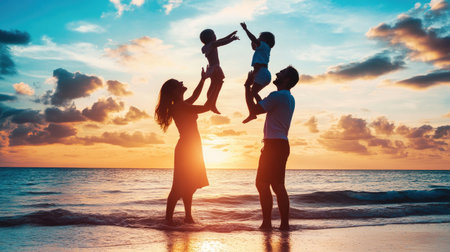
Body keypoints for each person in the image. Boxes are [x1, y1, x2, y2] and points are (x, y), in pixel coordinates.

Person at [243, 66, 299, 231]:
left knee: (263, 184)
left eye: (281, 73)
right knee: (276, 185)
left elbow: (254, 109)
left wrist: (247, 87)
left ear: (287, 79)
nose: (277, 73)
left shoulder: (277, 96)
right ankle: (282, 225)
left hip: (274, 145)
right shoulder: (288, 97)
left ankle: (268, 224)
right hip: (279, 144)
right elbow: (262, 104)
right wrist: (254, 94)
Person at [155, 67, 212, 224]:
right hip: (187, 148)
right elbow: (205, 107)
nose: (181, 82)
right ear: (174, 92)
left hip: (192, 148)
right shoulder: (179, 106)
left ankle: (188, 217)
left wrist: (203, 79)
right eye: (178, 83)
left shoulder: (182, 104)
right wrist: (216, 86)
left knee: (190, 185)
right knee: (178, 186)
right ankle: (168, 220)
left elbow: (195, 95)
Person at [240, 22, 275, 123]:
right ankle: (255, 111)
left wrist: (246, 30)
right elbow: (254, 46)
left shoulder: (264, 45)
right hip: (263, 73)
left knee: (251, 92)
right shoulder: (264, 48)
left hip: (261, 73)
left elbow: (253, 40)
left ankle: (255, 111)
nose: (258, 39)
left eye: (260, 37)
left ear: (265, 40)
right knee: (252, 92)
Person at [200, 28, 239, 114]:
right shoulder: (213, 44)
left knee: (213, 86)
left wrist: (230, 34)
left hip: (211, 68)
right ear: (210, 37)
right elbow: (222, 42)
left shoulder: (207, 46)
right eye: (214, 34)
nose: (215, 35)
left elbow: (222, 40)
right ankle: (212, 104)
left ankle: (211, 103)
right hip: (215, 68)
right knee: (217, 85)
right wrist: (232, 39)